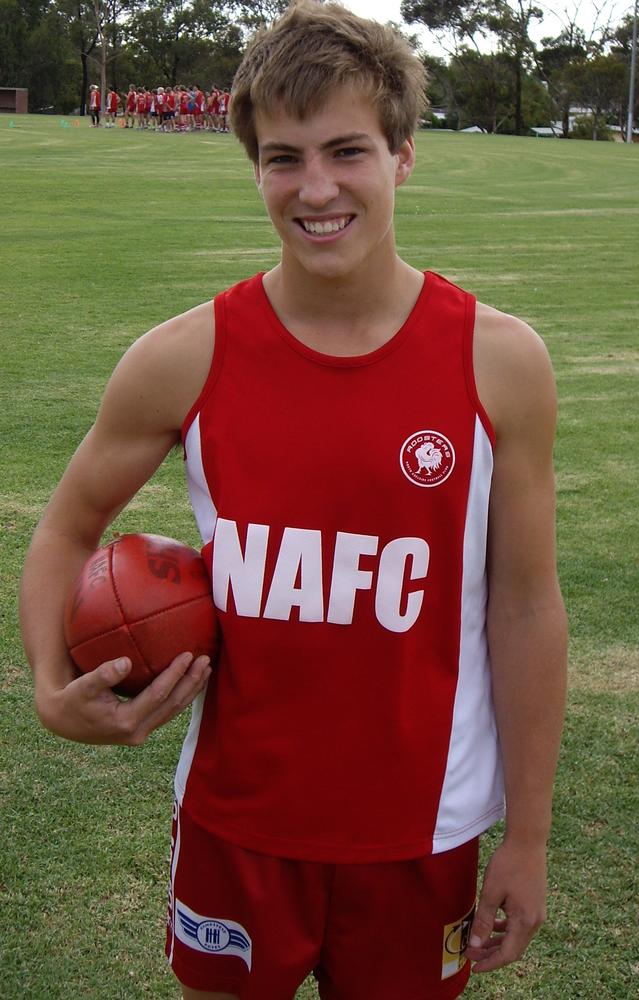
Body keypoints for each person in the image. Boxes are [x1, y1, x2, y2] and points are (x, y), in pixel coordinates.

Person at [20, 3, 567, 999]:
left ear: (402, 155)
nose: (314, 188)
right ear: (255, 166)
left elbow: (524, 607)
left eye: (346, 150)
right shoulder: (185, 355)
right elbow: (66, 525)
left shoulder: (498, 363)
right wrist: (52, 685)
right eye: (282, 157)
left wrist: (523, 836)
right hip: (238, 820)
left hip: (423, 826)